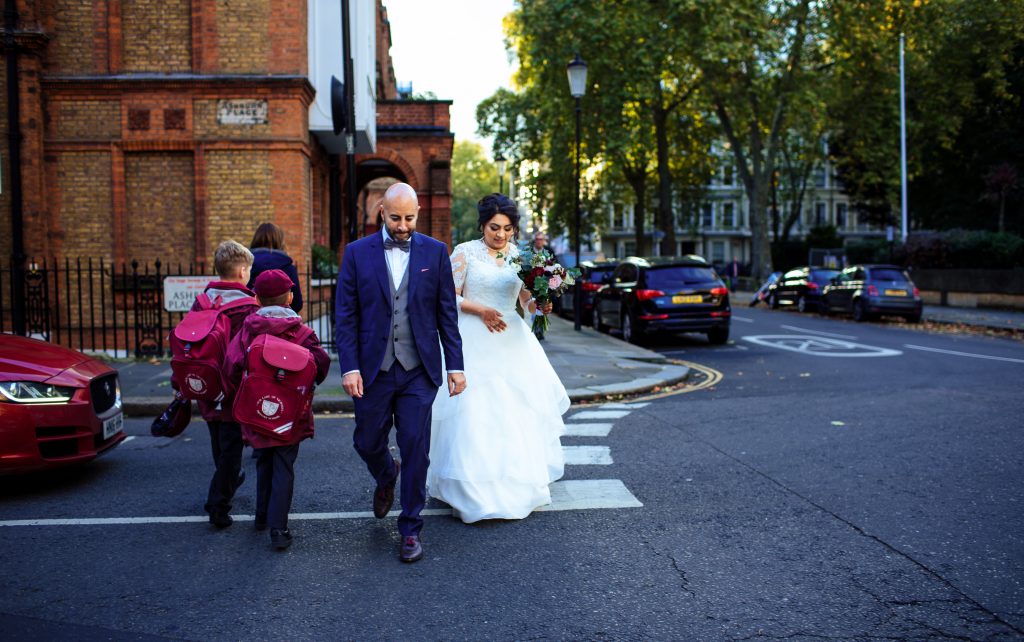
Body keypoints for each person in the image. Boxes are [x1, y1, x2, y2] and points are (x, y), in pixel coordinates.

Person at [334, 182, 466, 563]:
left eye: (409, 218)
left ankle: (410, 528)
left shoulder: (436, 253)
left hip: (418, 369)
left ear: (418, 213)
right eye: (395, 218)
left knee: (414, 445)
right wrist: (350, 366)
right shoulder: (357, 253)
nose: (403, 225)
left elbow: (446, 313)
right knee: (366, 440)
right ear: (382, 212)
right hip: (372, 369)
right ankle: (385, 474)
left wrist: (455, 365)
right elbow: (345, 315)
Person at [428, 193, 569, 524]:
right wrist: (481, 310)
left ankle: (515, 484)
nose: (501, 234)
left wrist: (541, 305)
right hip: (473, 339)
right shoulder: (465, 252)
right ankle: (470, 490)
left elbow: (525, 301)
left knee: (514, 412)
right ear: (482, 225)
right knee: (474, 414)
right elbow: (447, 296)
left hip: (511, 342)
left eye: (507, 228)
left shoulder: (520, 257)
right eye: (494, 227)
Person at [222, 269, 331, 550]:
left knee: (263, 460)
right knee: (284, 465)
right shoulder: (303, 333)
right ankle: (279, 529)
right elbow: (320, 365)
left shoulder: (248, 330)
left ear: (257, 299)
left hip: (256, 410)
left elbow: (231, 366)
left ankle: (261, 516)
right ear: (290, 297)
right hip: (291, 413)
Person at [180, 240, 259, 528]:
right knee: (232, 448)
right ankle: (218, 505)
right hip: (233, 387)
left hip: (205, 383)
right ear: (241, 271)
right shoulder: (247, 306)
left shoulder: (202, 301)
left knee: (218, 441)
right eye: (249, 270)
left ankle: (229, 479)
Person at [248, 222, 303, 313]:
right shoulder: (288, 267)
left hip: (251, 318)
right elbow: (297, 304)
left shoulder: (245, 267)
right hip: (282, 319)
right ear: (280, 240)